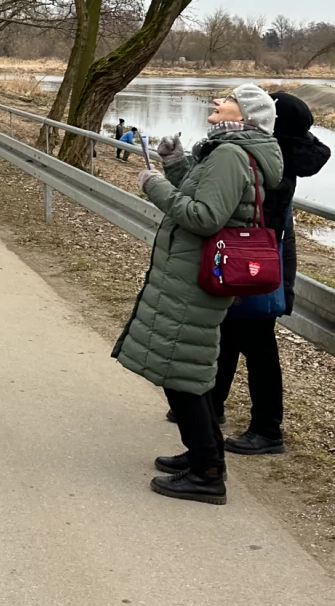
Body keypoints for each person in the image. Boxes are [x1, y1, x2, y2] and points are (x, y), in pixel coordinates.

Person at [114, 84, 282, 505]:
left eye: (226, 99)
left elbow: (205, 217)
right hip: (190, 273)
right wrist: (174, 164)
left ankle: (208, 473)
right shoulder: (227, 148)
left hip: (195, 277)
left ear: (243, 114)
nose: (216, 101)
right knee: (185, 365)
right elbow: (202, 196)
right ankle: (201, 454)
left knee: (183, 368)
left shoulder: (229, 154)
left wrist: (153, 185)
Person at [166, 93, 331, 454]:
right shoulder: (271, 153)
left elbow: (239, 212)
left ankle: (268, 430)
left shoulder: (274, 160)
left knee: (258, 347)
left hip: (255, 263)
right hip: (255, 259)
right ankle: (214, 407)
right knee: (229, 334)